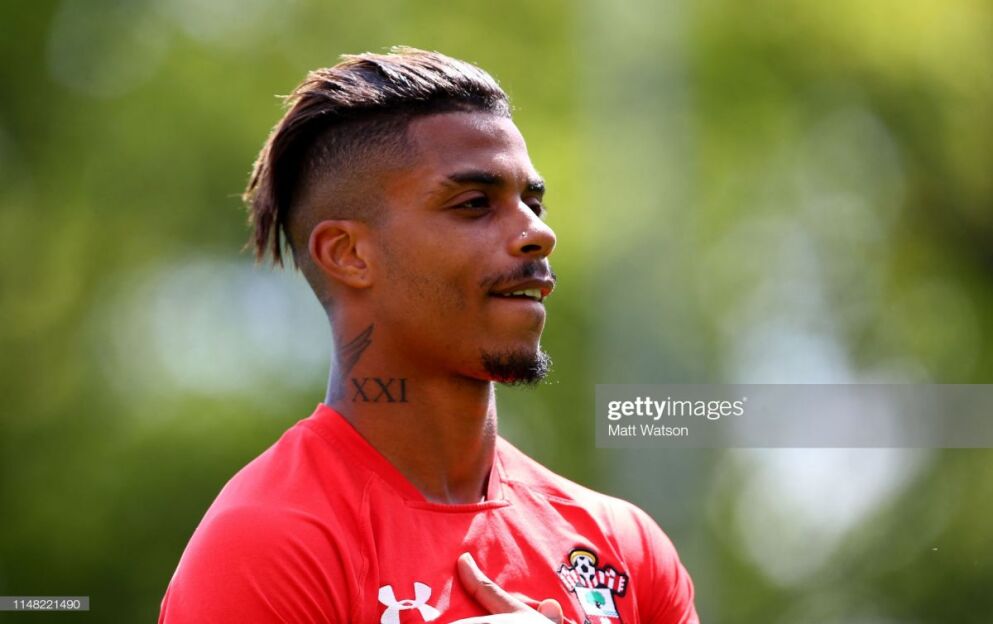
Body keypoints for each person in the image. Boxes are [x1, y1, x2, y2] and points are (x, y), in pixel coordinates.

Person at [158, 47, 699, 624]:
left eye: (533, 203)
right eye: (475, 204)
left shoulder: (625, 548)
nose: (538, 233)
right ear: (348, 254)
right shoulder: (267, 545)